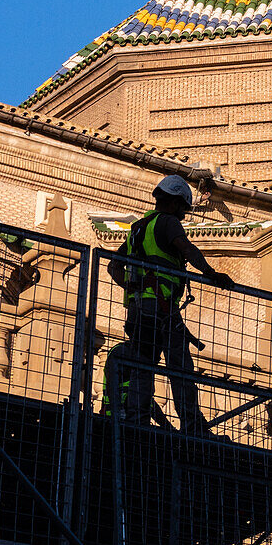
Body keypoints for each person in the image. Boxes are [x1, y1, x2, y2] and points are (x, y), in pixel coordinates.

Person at [107, 175, 234, 434]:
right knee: (181, 368)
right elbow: (187, 249)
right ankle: (192, 425)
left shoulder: (139, 229)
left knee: (144, 367)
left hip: (139, 312)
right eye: (184, 210)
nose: (183, 215)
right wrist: (211, 273)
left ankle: (137, 420)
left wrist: (133, 288)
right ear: (176, 204)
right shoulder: (167, 222)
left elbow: (113, 265)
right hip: (162, 309)